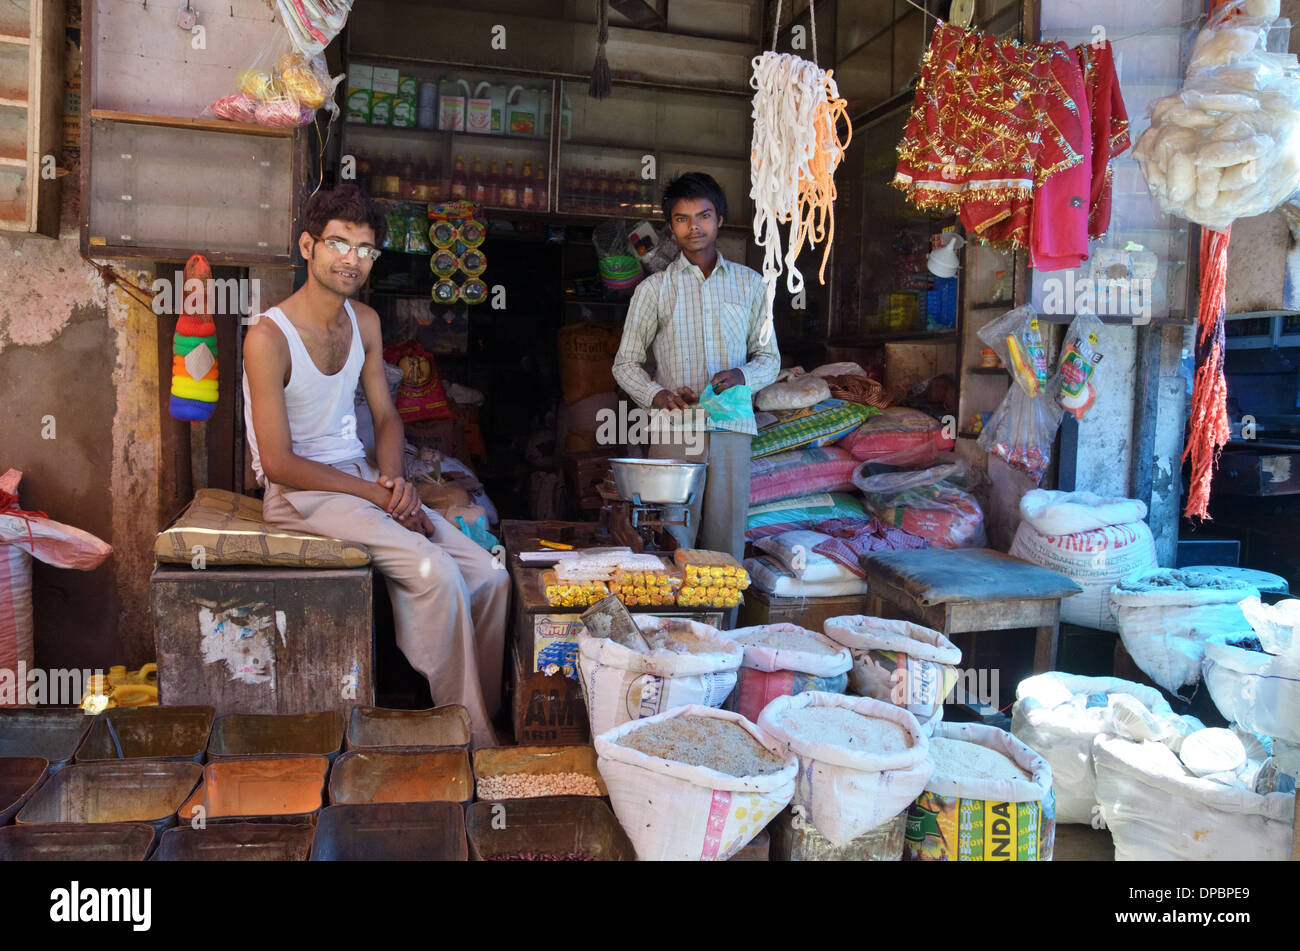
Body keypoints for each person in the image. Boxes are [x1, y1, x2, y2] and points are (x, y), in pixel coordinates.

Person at [241, 185, 507, 747]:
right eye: (338, 244)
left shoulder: (363, 321)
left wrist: (395, 483)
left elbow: (387, 418)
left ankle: (479, 713)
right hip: (301, 494)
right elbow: (279, 463)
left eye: (364, 250)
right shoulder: (269, 336)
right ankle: (471, 739)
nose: (351, 260)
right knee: (434, 572)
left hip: (362, 478)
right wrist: (378, 497)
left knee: (489, 575)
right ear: (308, 246)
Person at [612, 172, 780, 559]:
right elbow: (625, 364)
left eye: (703, 216)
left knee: (726, 538)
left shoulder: (750, 285)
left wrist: (742, 375)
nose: (694, 227)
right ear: (671, 227)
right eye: (682, 218)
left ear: (719, 219)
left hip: (731, 427)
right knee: (671, 535)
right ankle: (669, 620)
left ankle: (724, 621)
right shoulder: (653, 290)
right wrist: (657, 395)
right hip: (676, 427)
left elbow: (769, 359)